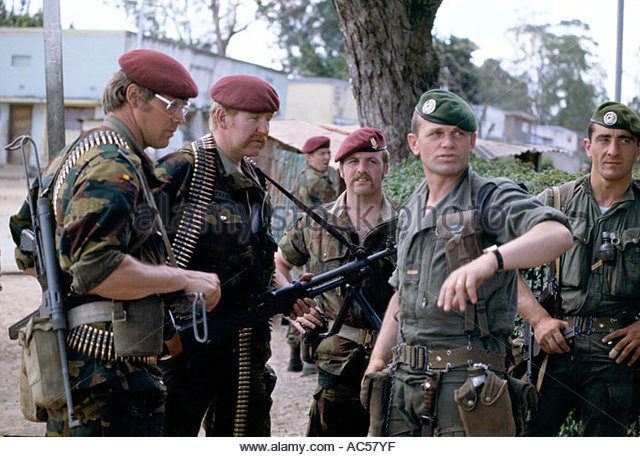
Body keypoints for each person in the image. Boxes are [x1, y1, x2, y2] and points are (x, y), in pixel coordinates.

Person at [9, 49, 221, 436]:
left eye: (185, 109)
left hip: (85, 367)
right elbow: (97, 270)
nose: (180, 118)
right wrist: (183, 279)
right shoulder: (113, 163)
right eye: (173, 105)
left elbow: (26, 247)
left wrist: (66, 291)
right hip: (109, 378)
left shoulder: (73, 154)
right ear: (134, 96)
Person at [363, 89, 573, 437]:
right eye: (436, 134)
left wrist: (491, 260)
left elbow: (557, 235)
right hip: (404, 385)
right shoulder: (412, 209)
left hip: (467, 389)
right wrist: (379, 360)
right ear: (415, 143)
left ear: (472, 141)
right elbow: (402, 294)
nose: (448, 143)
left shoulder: (490, 195)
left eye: (458, 134)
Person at [154, 75, 309, 437]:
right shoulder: (182, 169)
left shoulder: (254, 177)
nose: (265, 129)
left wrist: (284, 288)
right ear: (222, 117)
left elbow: (260, 255)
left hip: (245, 342)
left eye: (268, 118)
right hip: (187, 345)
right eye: (254, 118)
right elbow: (142, 251)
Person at [520, 101, 640, 436]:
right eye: (604, 139)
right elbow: (497, 261)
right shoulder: (555, 202)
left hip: (617, 359)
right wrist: (537, 319)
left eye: (624, 140)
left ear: (638, 149)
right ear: (588, 146)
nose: (613, 150)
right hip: (555, 350)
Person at [276, 127, 399, 436]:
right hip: (337, 359)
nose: (362, 170)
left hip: (399, 360)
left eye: (371, 162)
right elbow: (278, 262)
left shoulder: (407, 222)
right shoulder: (316, 223)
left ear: (385, 167)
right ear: (341, 170)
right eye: (353, 162)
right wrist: (293, 304)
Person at [286, 135, 339, 373]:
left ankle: (295, 356)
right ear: (308, 157)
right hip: (312, 243)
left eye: (328, 153)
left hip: (307, 241)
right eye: (321, 154)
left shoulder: (312, 177)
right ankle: (304, 355)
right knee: (314, 293)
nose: (326, 158)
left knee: (305, 292)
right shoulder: (314, 181)